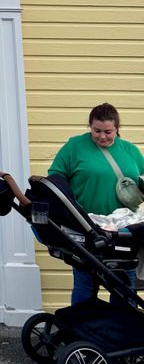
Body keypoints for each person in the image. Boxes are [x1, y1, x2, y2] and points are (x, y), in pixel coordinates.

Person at [48, 102, 144, 304]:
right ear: (90, 126)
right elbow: (55, 179)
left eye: (108, 131)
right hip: (88, 228)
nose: (102, 136)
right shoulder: (74, 147)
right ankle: (80, 330)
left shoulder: (130, 150)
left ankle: (122, 332)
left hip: (123, 232)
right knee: (85, 284)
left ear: (117, 128)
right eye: (96, 131)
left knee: (124, 287)